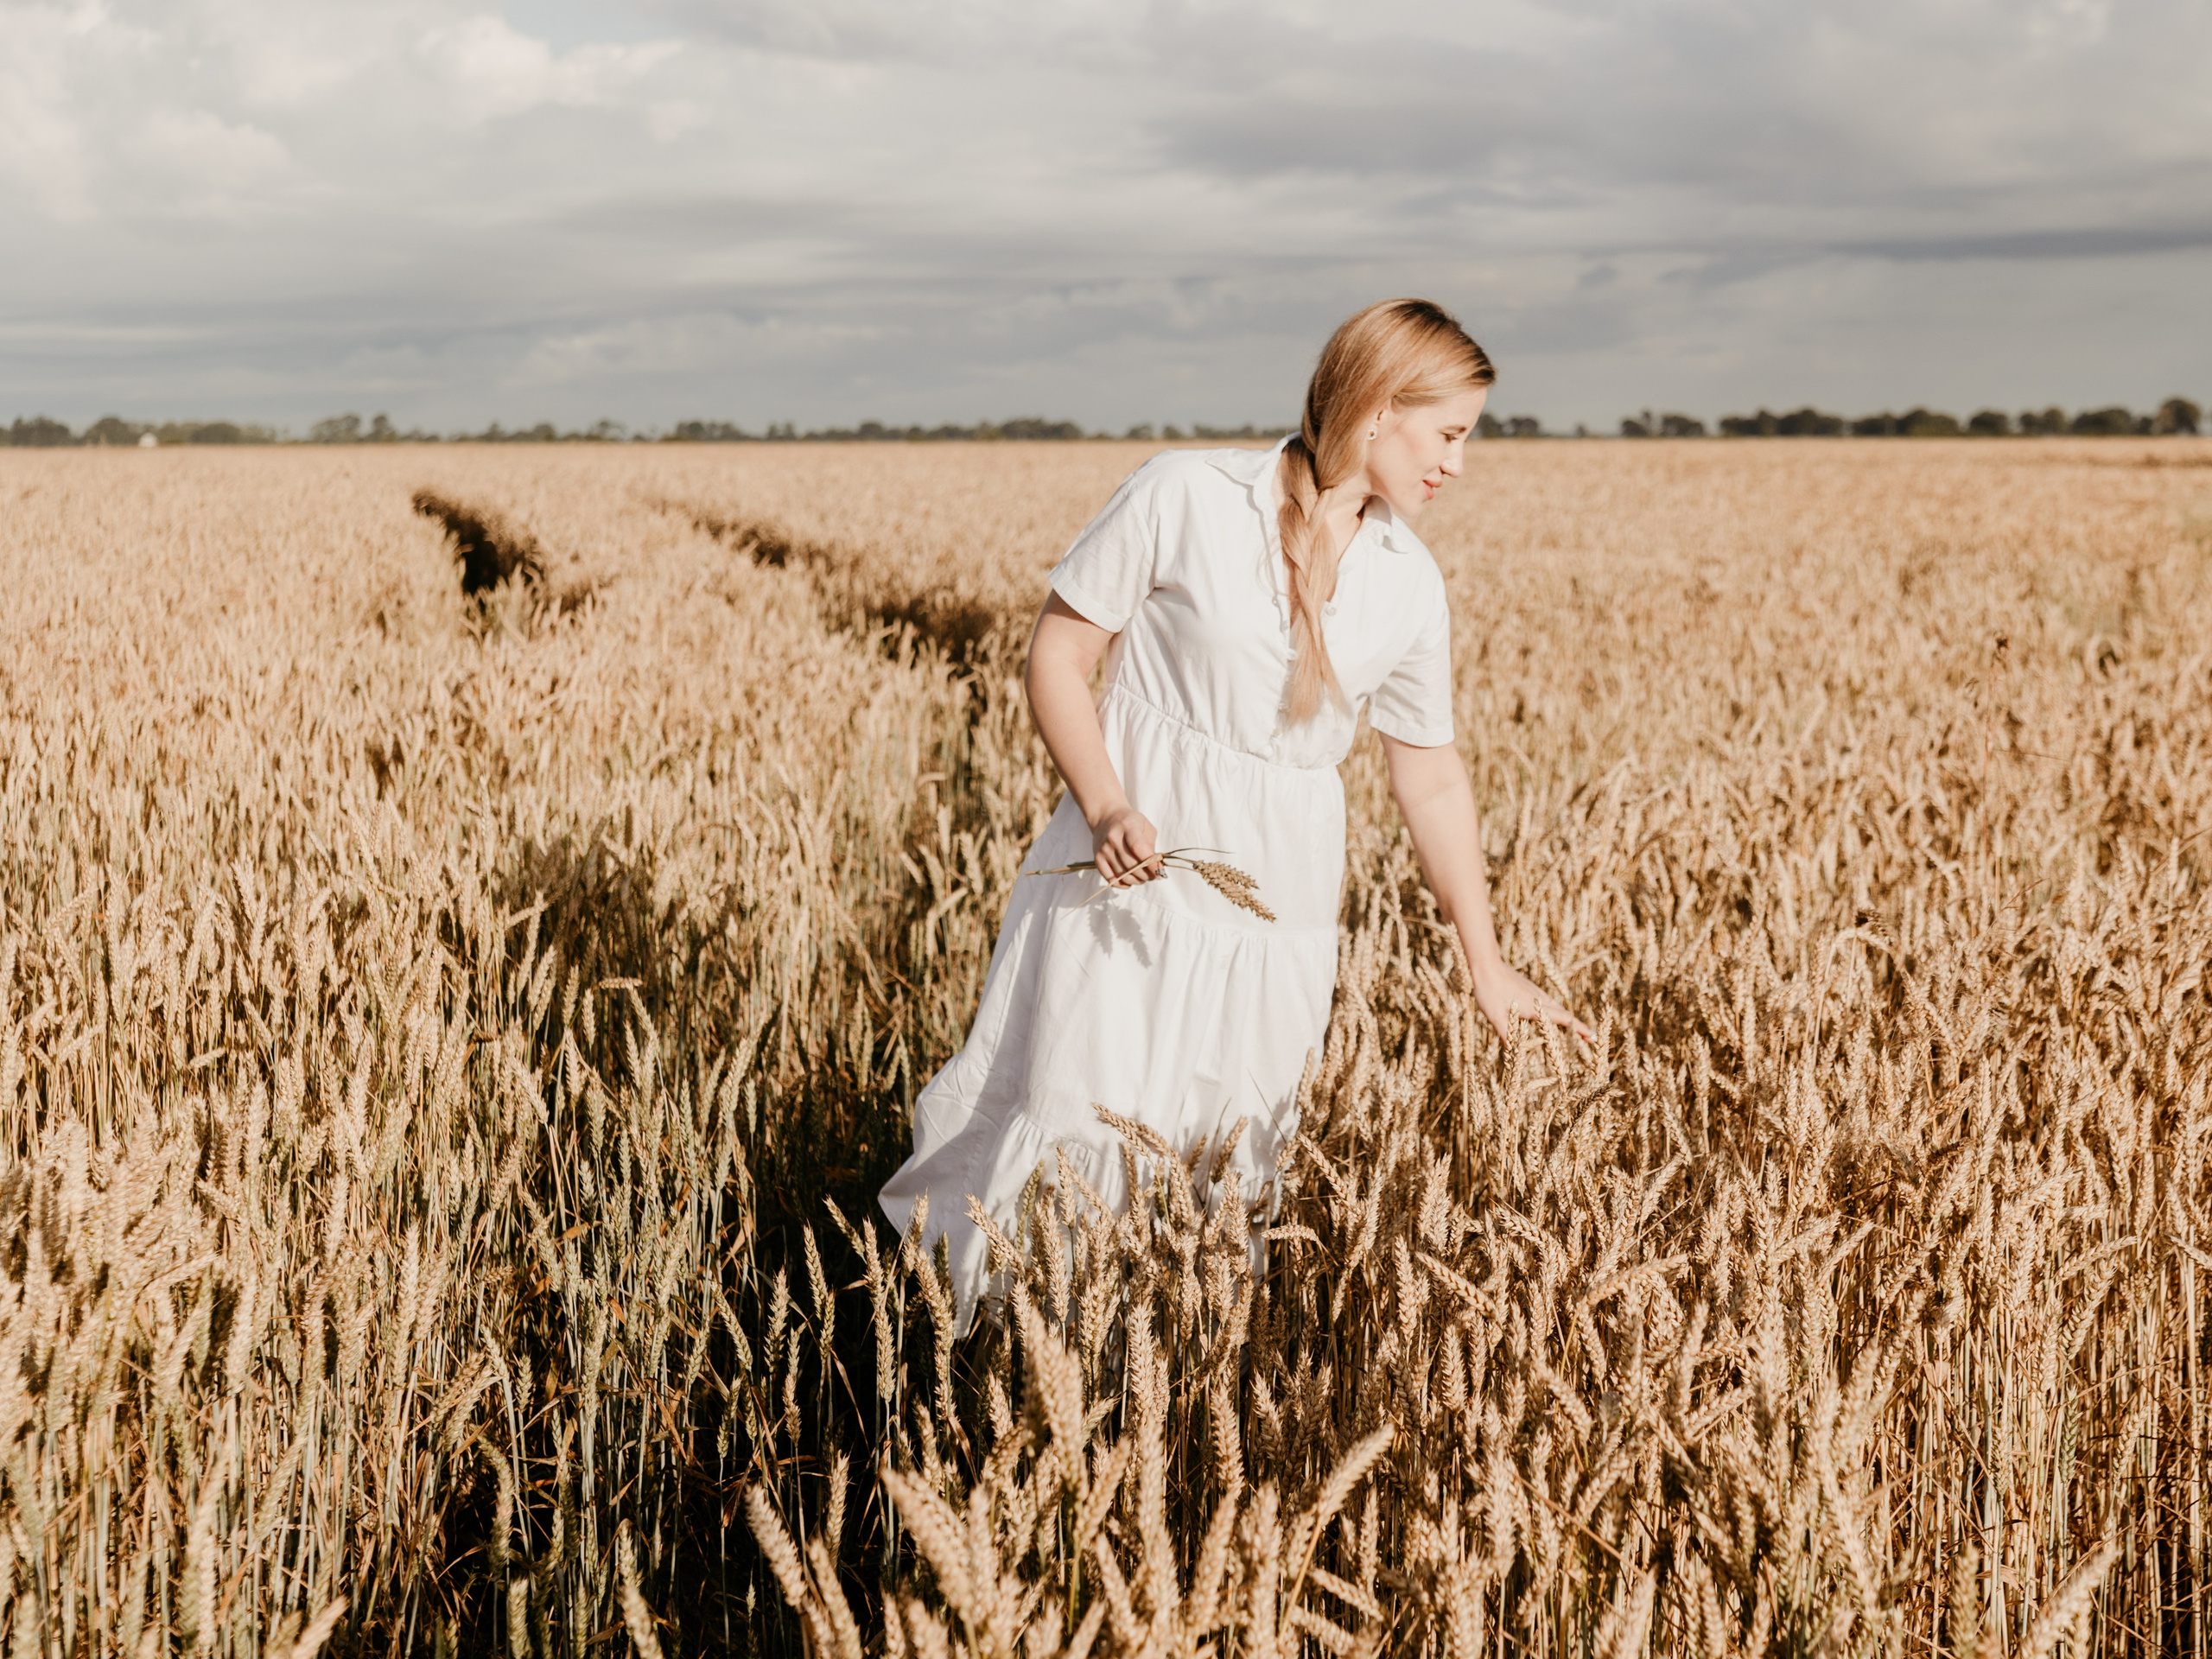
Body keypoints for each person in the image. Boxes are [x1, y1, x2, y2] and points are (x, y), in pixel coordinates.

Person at [879, 298, 1589, 1327]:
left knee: (1222, 1169)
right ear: (1382, 408)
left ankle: (1153, 1402)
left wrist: (1484, 961)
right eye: (1450, 433)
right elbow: (1058, 655)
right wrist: (1106, 801)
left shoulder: (1409, 582)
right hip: (1131, 879)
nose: (1458, 464)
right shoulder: (1187, 494)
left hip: (1280, 914)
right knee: (1076, 1128)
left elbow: (1428, 775)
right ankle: (991, 1370)